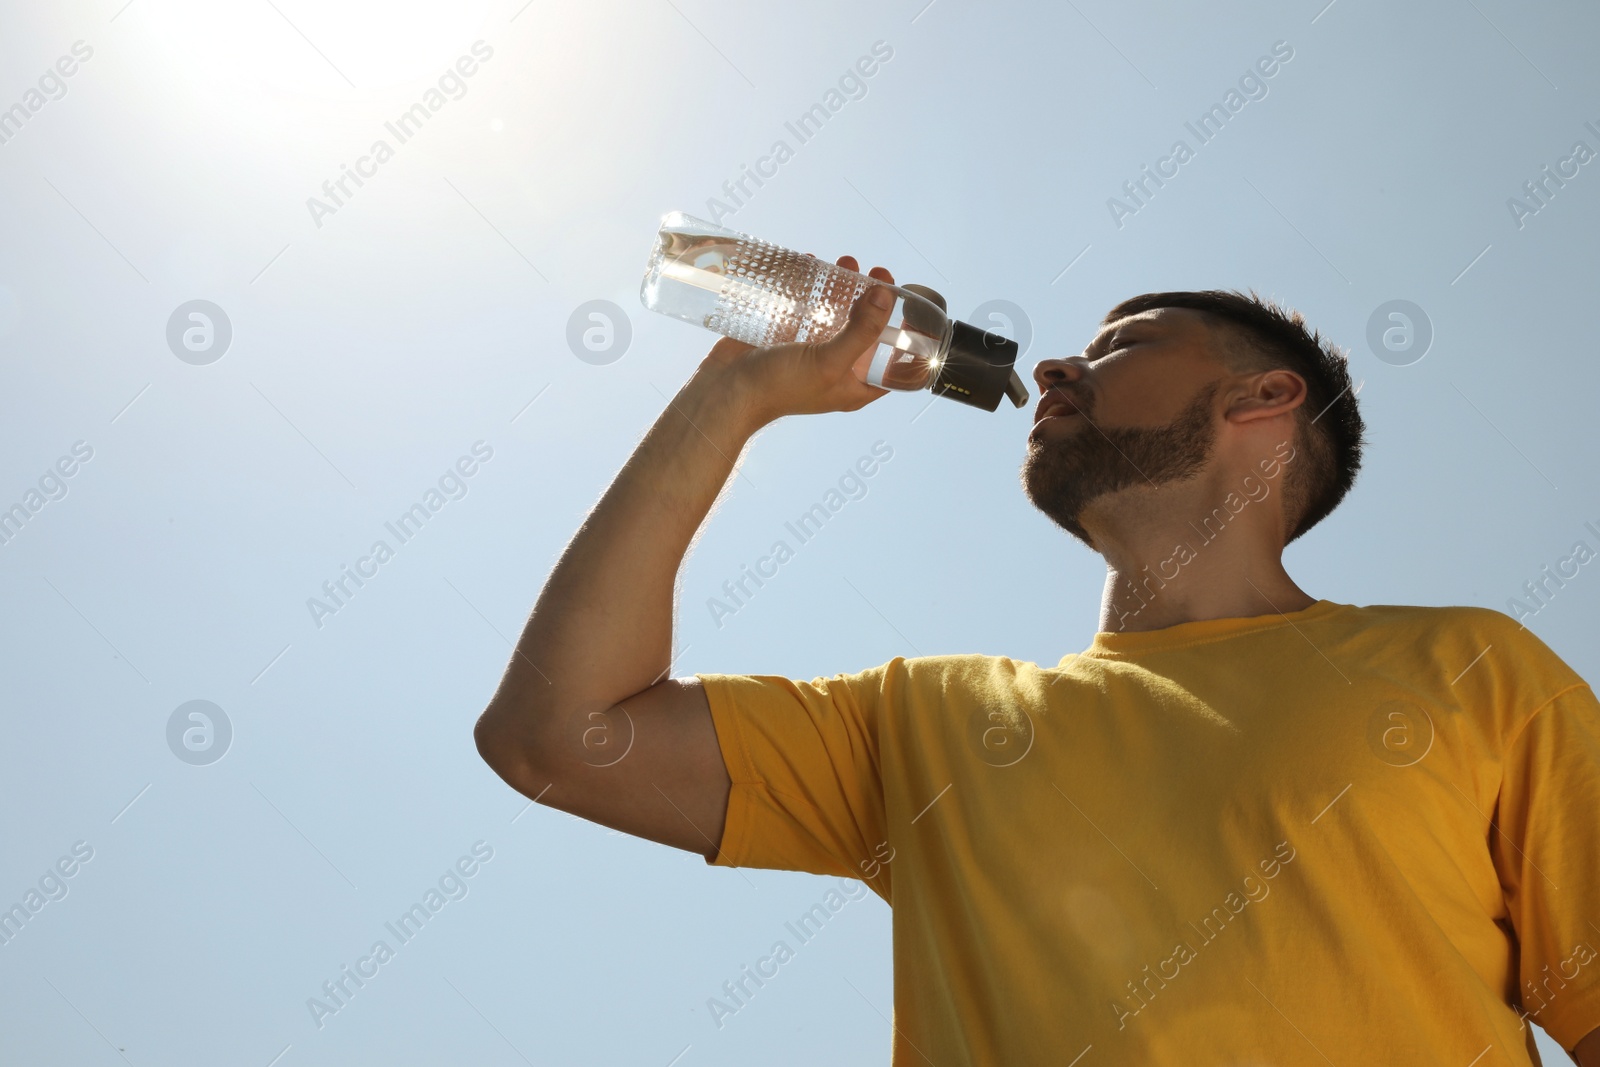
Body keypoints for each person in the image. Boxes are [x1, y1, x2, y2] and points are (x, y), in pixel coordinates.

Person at [473, 257, 1600, 1065]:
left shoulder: (1460, 665)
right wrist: (732, 394)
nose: (1058, 362)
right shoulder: (928, 721)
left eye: (1121, 344)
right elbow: (556, 733)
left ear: (1265, 398)